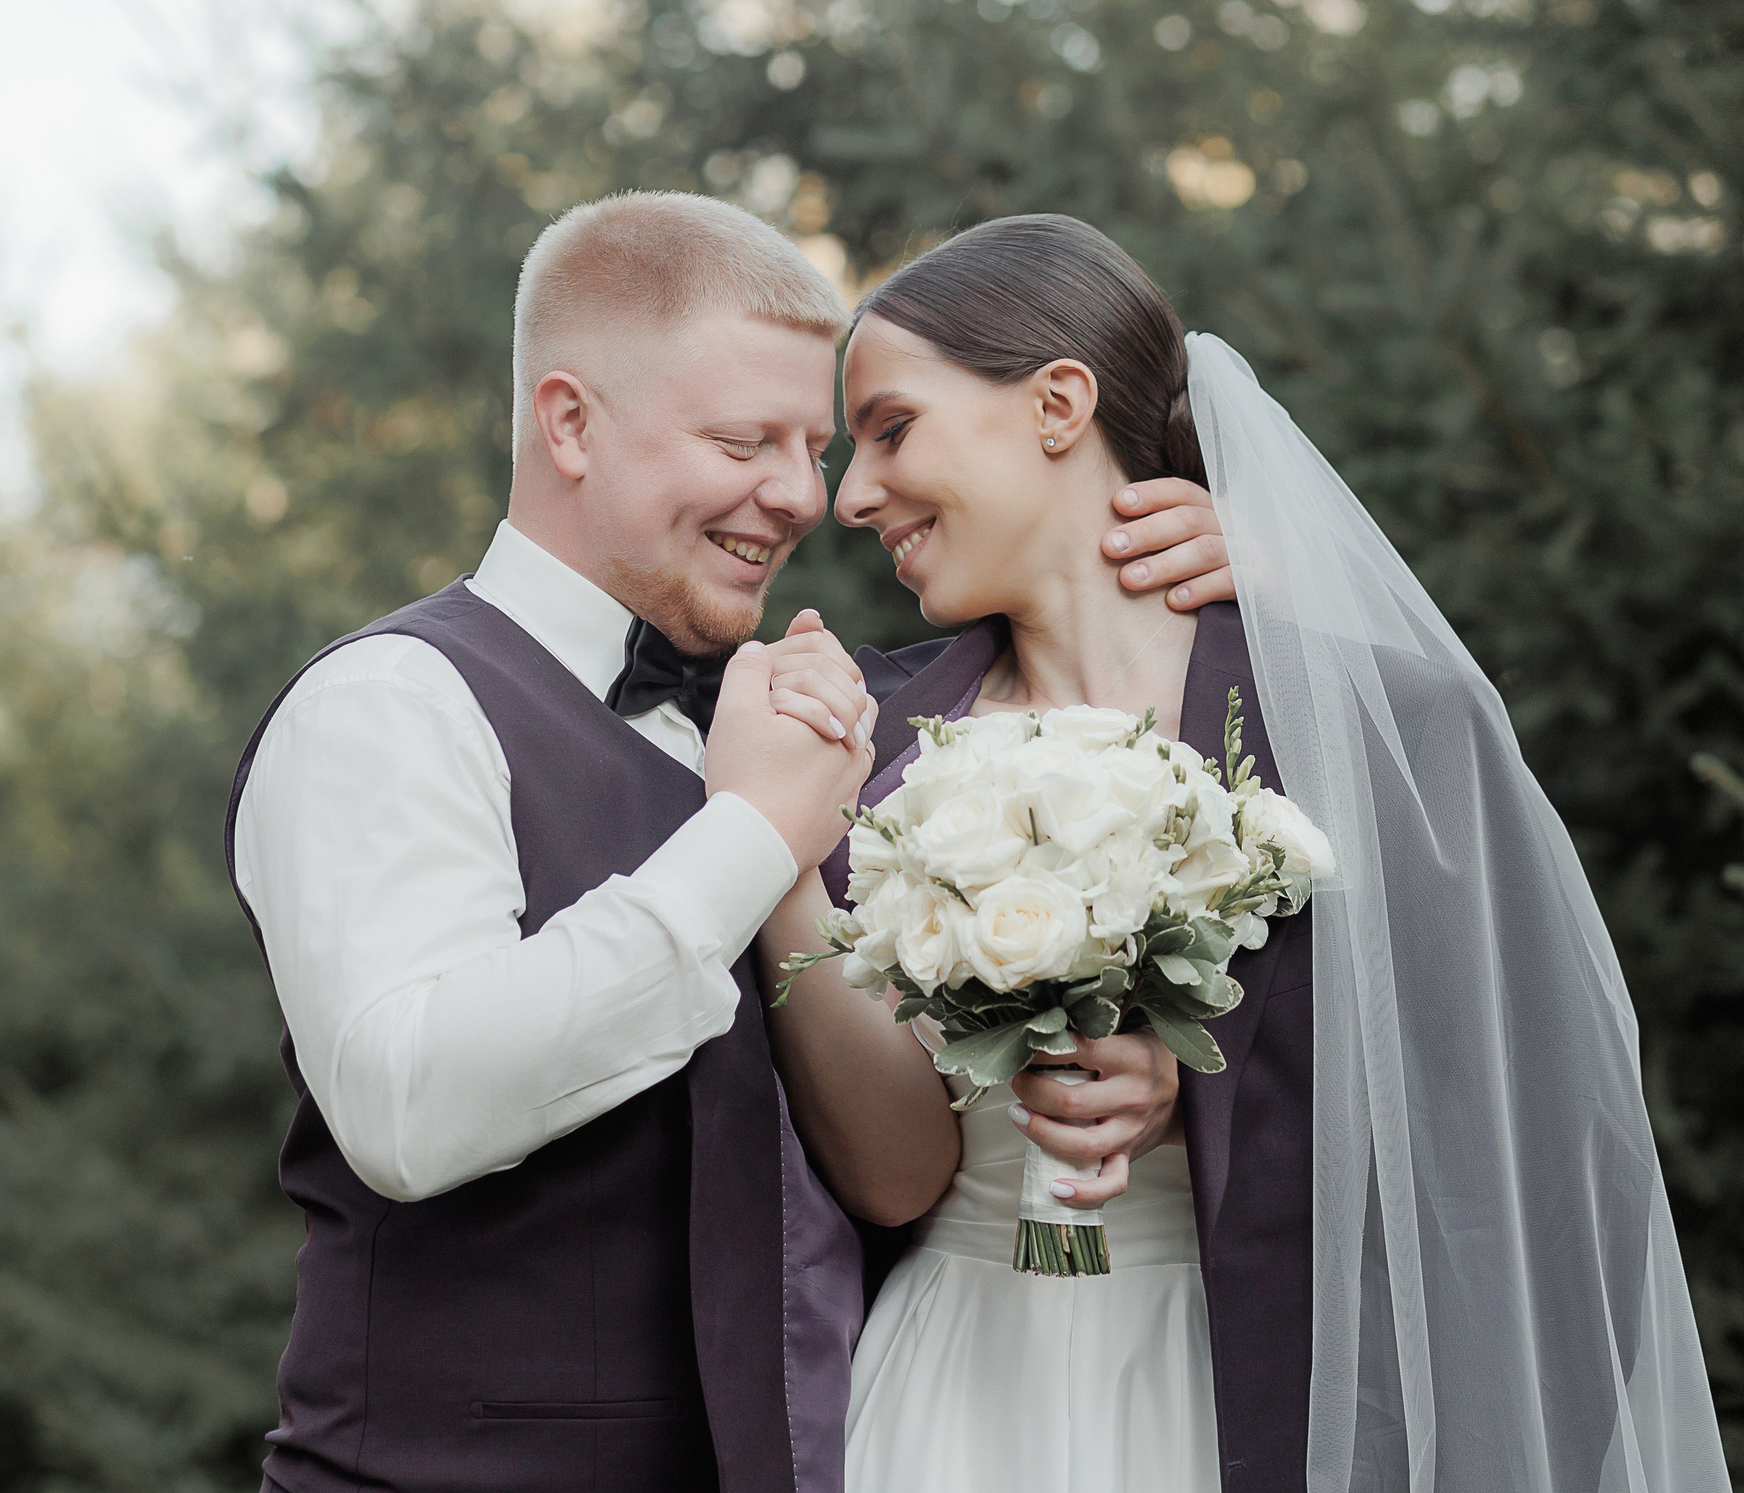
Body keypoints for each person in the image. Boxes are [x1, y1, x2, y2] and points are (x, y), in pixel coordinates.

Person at [224, 192, 1232, 1493]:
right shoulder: (392, 703)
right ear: (570, 421)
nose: (804, 495)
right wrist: (750, 833)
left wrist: (1240, 570)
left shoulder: (808, 720)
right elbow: (410, 1103)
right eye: (747, 439)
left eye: (812, 446)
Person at [761, 213, 1731, 1493]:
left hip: (1246, 1401)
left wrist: (1192, 1089)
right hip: (943, 1392)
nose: (848, 497)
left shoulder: (1373, 731)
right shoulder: (857, 751)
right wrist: (774, 840)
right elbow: (882, 1176)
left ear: (1057, 404)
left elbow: (1538, 1148)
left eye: (892, 430)